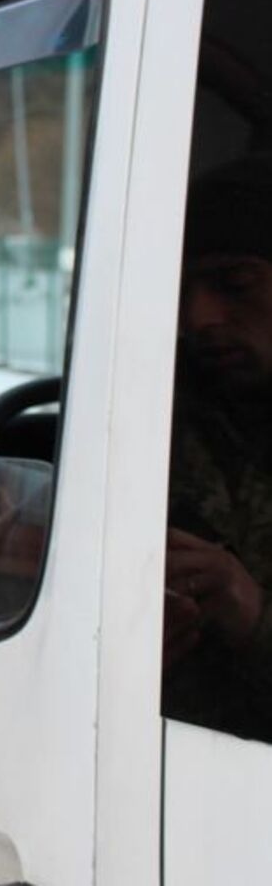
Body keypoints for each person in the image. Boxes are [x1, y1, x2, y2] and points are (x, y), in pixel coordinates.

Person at [164, 156, 272, 742]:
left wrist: (249, 612)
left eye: (235, 285)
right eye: (183, 293)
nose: (200, 318)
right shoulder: (147, 415)